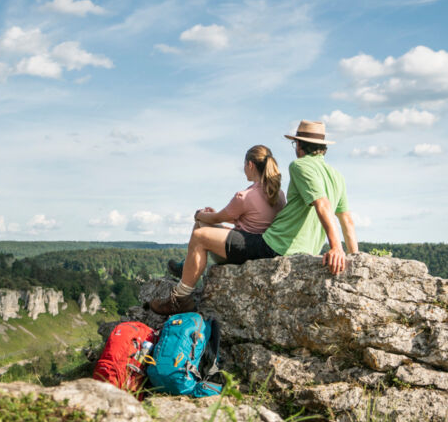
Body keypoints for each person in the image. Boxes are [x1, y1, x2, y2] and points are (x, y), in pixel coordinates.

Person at [149, 120, 359, 315]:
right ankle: (185, 279)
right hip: (302, 249)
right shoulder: (337, 176)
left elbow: (321, 204)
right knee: (208, 233)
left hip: (276, 245)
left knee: (201, 236)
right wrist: (355, 258)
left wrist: (336, 248)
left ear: (298, 146)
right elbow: (347, 220)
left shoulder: (300, 166)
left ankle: (180, 298)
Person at [166, 145, 286, 277]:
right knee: (208, 223)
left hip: (240, 250)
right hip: (263, 247)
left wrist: (199, 215)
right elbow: (253, 217)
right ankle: (185, 264)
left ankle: (185, 267)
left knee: (200, 224)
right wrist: (214, 214)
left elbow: (217, 218)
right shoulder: (278, 194)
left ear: (250, 165)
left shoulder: (244, 196)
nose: (244, 168)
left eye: (244, 164)